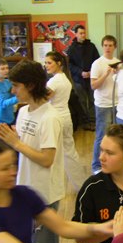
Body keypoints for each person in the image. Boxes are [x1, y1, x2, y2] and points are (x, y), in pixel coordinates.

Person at [0, 60, 68, 243]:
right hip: (26, 189)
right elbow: (26, 150)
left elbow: (47, 159)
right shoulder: (24, 111)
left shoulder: (50, 118)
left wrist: (16, 143)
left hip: (45, 193)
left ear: (30, 85)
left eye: (16, 86)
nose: (13, 91)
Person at [45, 51, 88, 191]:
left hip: (57, 120)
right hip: (64, 117)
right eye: (45, 63)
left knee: (60, 155)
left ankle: (80, 186)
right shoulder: (64, 78)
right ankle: (81, 185)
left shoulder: (54, 81)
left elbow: (43, 100)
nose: (46, 65)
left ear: (59, 63)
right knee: (68, 153)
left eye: (49, 62)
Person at [90, 35, 120, 174]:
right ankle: (96, 166)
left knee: (116, 135)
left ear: (115, 47)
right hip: (103, 105)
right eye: (105, 45)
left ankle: (113, 162)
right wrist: (106, 74)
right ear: (102, 46)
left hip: (118, 103)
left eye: (110, 45)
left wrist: (117, 74)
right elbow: (94, 85)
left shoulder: (118, 63)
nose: (108, 48)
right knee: (101, 135)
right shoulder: (97, 63)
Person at [66, 25, 100, 131]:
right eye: (80, 33)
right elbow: (70, 65)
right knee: (81, 101)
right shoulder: (71, 48)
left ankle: (93, 121)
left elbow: (97, 61)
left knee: (92, 100)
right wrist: (81, 72)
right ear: (75, 34)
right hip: (78, 79)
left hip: (91, 78)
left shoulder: (91, 46)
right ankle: (85, 122)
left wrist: (91, 72)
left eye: (84, 33)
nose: (83, 35)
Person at [0, 58, 18, 138]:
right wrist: (19, 97)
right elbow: (2, 104)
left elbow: (13, 94)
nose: (6, 71)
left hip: (10, 119)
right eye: (2, 69)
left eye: (7, 68)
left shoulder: (8, 82)